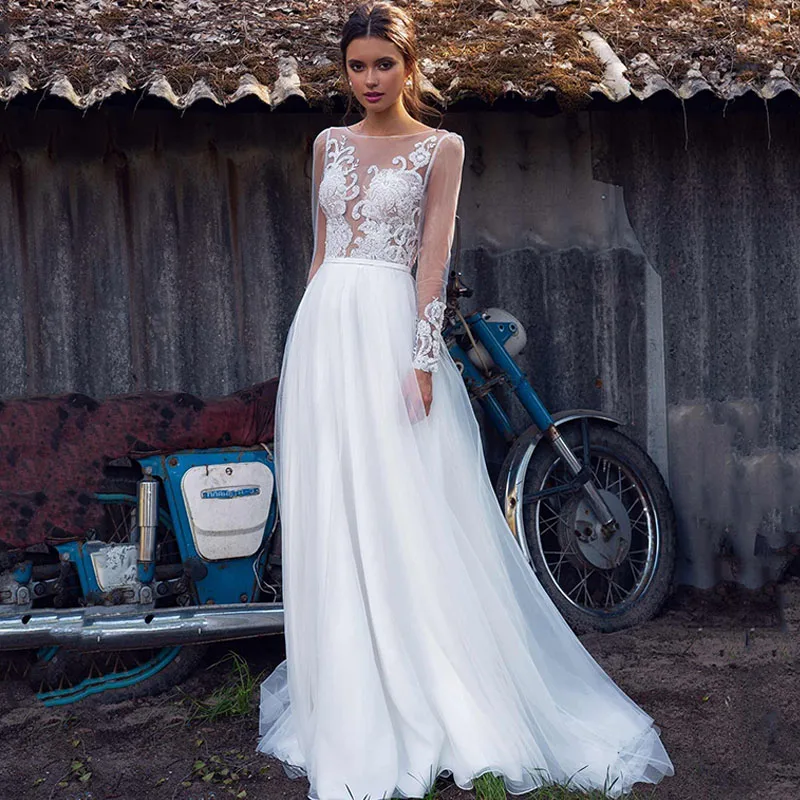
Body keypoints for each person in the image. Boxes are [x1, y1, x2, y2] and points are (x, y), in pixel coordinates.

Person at [256, 3, 675, 799]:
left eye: (383, 64)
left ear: (408, 66)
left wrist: (420, 362)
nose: (369, 79)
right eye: (356, 66)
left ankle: (432, 680)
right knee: (336, 507)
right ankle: (348, 686)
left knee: (404, 505)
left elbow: (431, 264)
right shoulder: (326, 145)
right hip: (323, 337)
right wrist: (300, 351)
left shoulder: (439, 149)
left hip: (388, 333)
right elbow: (318, 257)